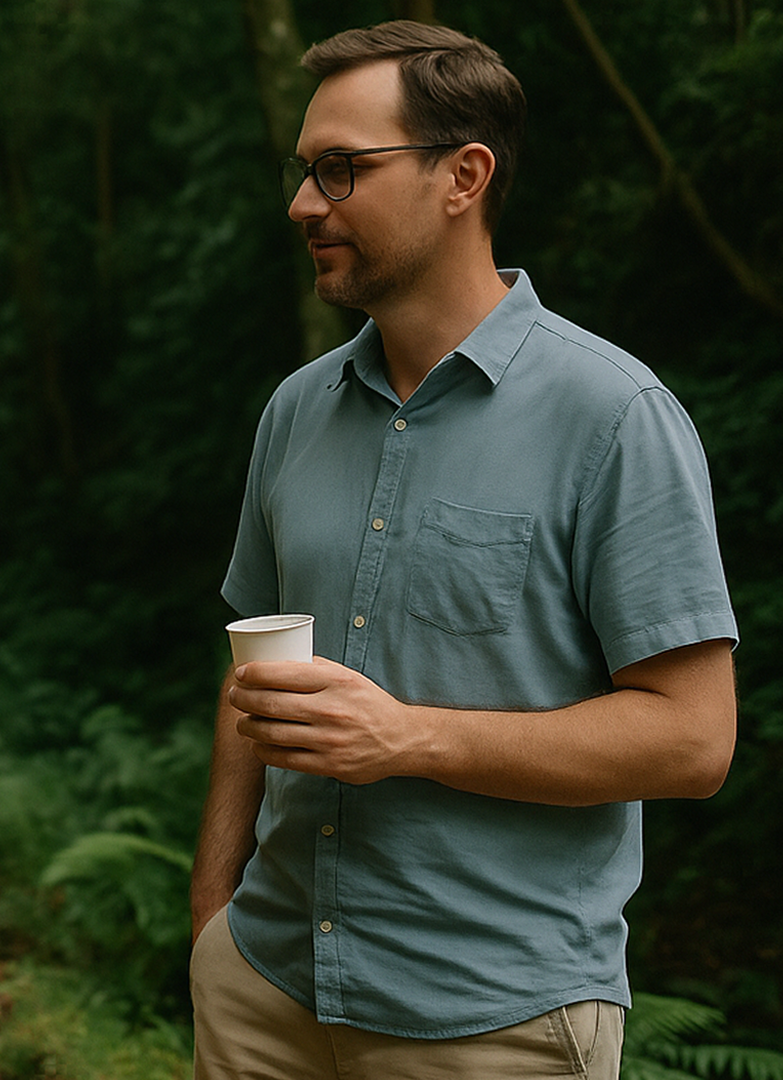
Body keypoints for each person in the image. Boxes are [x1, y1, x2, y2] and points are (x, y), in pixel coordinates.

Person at [188, 20, 739, 1079]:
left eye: (341, 169)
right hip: (264, 991)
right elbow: (249, 682)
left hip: (494, 1023)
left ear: (464, 177)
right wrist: (215, 913)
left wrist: (411, 737)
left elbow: (694, 740)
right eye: (303, 171)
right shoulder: (295, 410)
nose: (303, 203)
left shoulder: (614, 415)